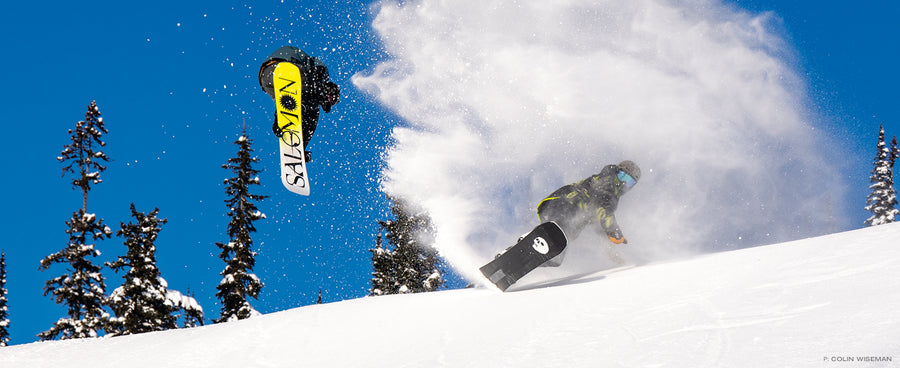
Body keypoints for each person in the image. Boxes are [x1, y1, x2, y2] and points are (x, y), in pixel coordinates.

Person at [534, 160, 641, 266]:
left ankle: (530, 256)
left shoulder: (611, 197)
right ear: (617, 172)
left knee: (556, 258)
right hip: (562, 204)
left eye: (629, 181)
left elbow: (600, 226)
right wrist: (613, 230)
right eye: (623, 176)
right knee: (558, 231)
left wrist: (612, 253)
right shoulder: (607, 180)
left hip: (565, 218)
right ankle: (537, 240)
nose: (624, 183)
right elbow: (604, 207)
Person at [258, 45, 340, 162]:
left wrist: (300, 150)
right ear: (329, 89)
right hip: (284, 66)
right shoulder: (322, 73)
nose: (327, 101)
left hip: (267, 80)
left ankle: (285, 128)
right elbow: (316, 75)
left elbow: (288, 101)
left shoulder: (311, 91)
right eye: (330, 99)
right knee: (312, 107)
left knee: (292, 103)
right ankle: (295, 138)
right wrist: (322, 96)